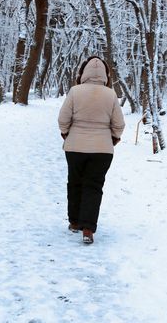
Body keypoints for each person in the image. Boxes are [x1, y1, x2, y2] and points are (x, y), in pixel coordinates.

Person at [58, 56, 125, 244]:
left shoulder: (74, 92)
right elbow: (119, 124)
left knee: (75, 182)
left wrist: (66, 134)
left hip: (75, 148)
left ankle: (74, 221)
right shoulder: (110, 94)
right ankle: (88, 229)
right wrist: (113, 138)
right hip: (102, 150)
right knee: (94, 186)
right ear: (105, 75)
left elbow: (63, 119)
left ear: (83, 73)